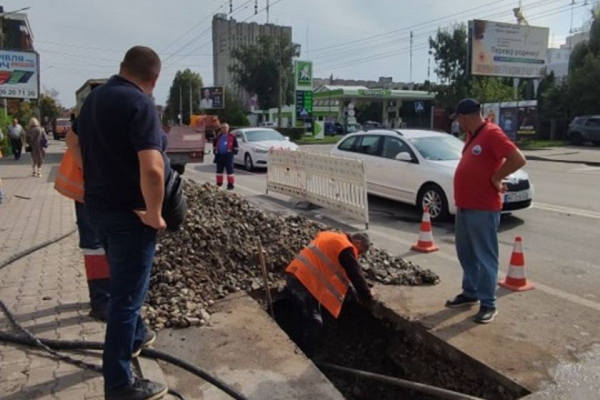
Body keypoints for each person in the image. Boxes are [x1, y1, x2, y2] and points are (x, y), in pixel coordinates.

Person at [66, 45, 169, 400]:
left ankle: (137, 336)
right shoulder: (141, 105)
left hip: (98, 209)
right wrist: (155, 214)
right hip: (131, 216)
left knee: (122, 280)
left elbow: (72, 139)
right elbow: (153, 168)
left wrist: (93, 172)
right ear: (153, 78)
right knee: (126, 300)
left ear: (122, 67)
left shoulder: (93, 101)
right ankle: (120, 384)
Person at [446, 98, 526, 324]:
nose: (458, 123)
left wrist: (497, 177)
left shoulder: (492, 133)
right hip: (465, 205)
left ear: (465, 117)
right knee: (466, 253)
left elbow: (518, 158)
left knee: (484, 257)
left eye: (459, 118)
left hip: (483, 208)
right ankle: (469, 292)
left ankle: (488, 304)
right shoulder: (473, 135)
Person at [285, 231, 375, 354]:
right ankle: (305, 354)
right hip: (303, 281)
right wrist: (367, 296)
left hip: (297, 276)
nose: (357, 255)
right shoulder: (345, 247)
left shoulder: (332, 237)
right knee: (314, 321)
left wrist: (352, 294)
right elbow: (355, 272)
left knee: (303, 317)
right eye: (359, 252)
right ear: (358, 242)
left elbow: (338, 275)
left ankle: (297, 343)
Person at [54, 139, 111, 322]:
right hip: (92, 190)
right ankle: (101, 302)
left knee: (97, 245)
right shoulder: (100, 112)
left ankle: (102, 298)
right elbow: (73, 138)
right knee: (96, 247)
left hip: (91, 188)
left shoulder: (94, 112)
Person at [213, 123, 238, 190]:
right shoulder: (218, 136)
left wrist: (232, 153)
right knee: (219, 171)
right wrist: (215, 152)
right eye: (222, 128)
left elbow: (236, 147)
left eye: (225, 127)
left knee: (230, 171)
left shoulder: (232, 136)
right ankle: (219, 184)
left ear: (228, 128)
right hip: (220, 156)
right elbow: (214, 145)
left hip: (228, 156)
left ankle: (230, 185)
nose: (224, 129)